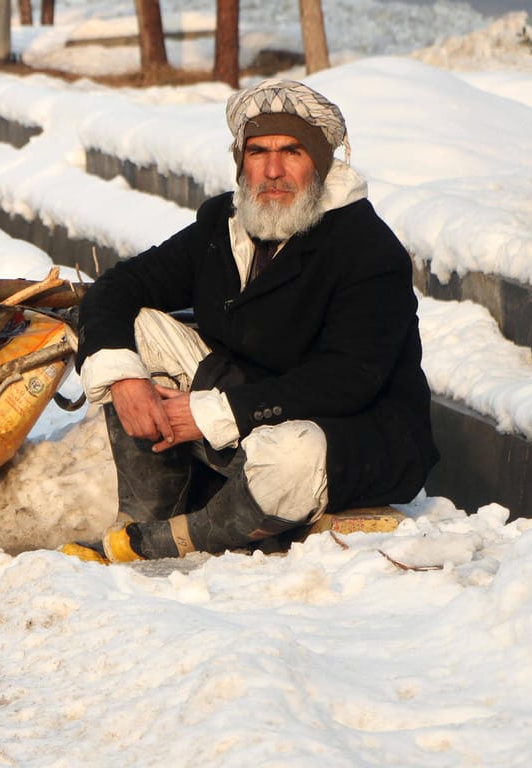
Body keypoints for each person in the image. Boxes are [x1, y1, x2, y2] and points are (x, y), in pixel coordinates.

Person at [66, 79, 439, 563]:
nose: (273, 170)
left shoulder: (368, 251)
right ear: (241, 161)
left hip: (348, 431)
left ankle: (171, 540)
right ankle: (143, 517)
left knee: (289, 458)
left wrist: (209, 413)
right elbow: (118, 287)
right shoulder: (224, 223)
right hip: (244, 404)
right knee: (133, 331)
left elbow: (347, 380)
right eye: (258, 152)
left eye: (292, 152)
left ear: (322, 163)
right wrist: (126, 380)